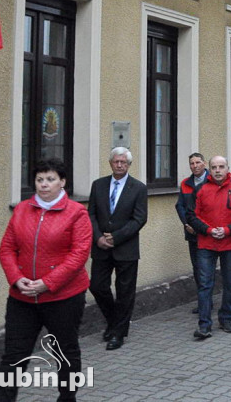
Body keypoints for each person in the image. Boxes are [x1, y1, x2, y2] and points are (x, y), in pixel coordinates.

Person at [0, 159, 91, 402]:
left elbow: (78, 255)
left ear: (62, 182)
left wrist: (48, 282)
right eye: (39, 180)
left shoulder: (77, 213)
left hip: (63, 298)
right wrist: (16, 279)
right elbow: (6, 249)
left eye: (50, 179)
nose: (44, 185)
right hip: (22, 297)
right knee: (14, 354)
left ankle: (67, 398)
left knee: (64, 352)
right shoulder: (22, 209)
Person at [87, 147, 148, 351]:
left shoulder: (138, 188)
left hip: (126, 248)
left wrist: (117, 237)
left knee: (125, 292)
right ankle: (114, 321)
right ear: (110, 163)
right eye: (116, 161)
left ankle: (118, 334)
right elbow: (91, 215)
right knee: (97, 286)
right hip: (101, 247)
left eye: (123, 162)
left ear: (129, 165)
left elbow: (139, 218)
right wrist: (98, 238)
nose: (119, 165)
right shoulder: (98, 185)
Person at [186, 155, 231, 340]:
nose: (217, 170)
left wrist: (228, 230)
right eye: (214, 167)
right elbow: (191, 215)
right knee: (205, 285)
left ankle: (225, 319)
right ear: (209, 168)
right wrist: (207, 230)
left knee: (230, 284)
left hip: (229, 243)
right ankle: (204, 325)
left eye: (221, 166)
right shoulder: (200, 189)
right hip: (206, 244)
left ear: (227, 168)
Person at [176, 152, 208, 310]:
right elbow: (180, 206)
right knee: (197, 267)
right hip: (192, 232)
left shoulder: (212, 181)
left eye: (198, 162)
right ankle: (202, 301)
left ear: (204, 164)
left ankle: (208, 300)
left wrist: (202, 226)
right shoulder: (185, 183)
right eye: (192, 163)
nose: (195, 166)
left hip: (209, 233)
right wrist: (186, 223)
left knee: (207, 268)